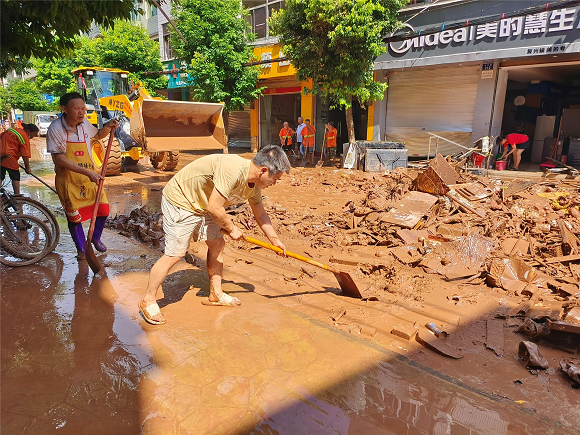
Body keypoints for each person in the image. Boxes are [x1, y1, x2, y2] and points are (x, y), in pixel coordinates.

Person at [139, 145, 291, 325]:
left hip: (205, 204)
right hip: (181, 200)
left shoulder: (254, 186)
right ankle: (147, 301)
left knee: (217, 244)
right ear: (263, 170)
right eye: (276, 178)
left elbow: (261, 214)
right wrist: (232, 228)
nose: (275, 183)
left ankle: (216, 294)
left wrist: (275, 241)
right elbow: (215, 208)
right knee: (175, 253)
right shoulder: (232, 170)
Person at [46, 92, 119, 260]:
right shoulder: (56, 129)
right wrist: (88, 172)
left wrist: (108, 127)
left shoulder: (84, 123)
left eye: (83, 108)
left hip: (90, 177)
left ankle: (95, 237)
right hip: (69, 180)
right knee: (74, 217)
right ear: (64, 109)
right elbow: (60, 159)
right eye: (76, 109)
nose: (81, 112)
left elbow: (97, 135)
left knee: (103, 209)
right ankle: (81, 249)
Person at [0, 123, 39, 195]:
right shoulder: (24, 137)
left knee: (1, 175)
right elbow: (25, 154)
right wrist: (27, 168)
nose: (35, 136)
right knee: (15, 176)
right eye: (34, 134)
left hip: (1, 155)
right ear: (28, 131)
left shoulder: (12, 130)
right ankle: (17, 195)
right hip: (9, 156)